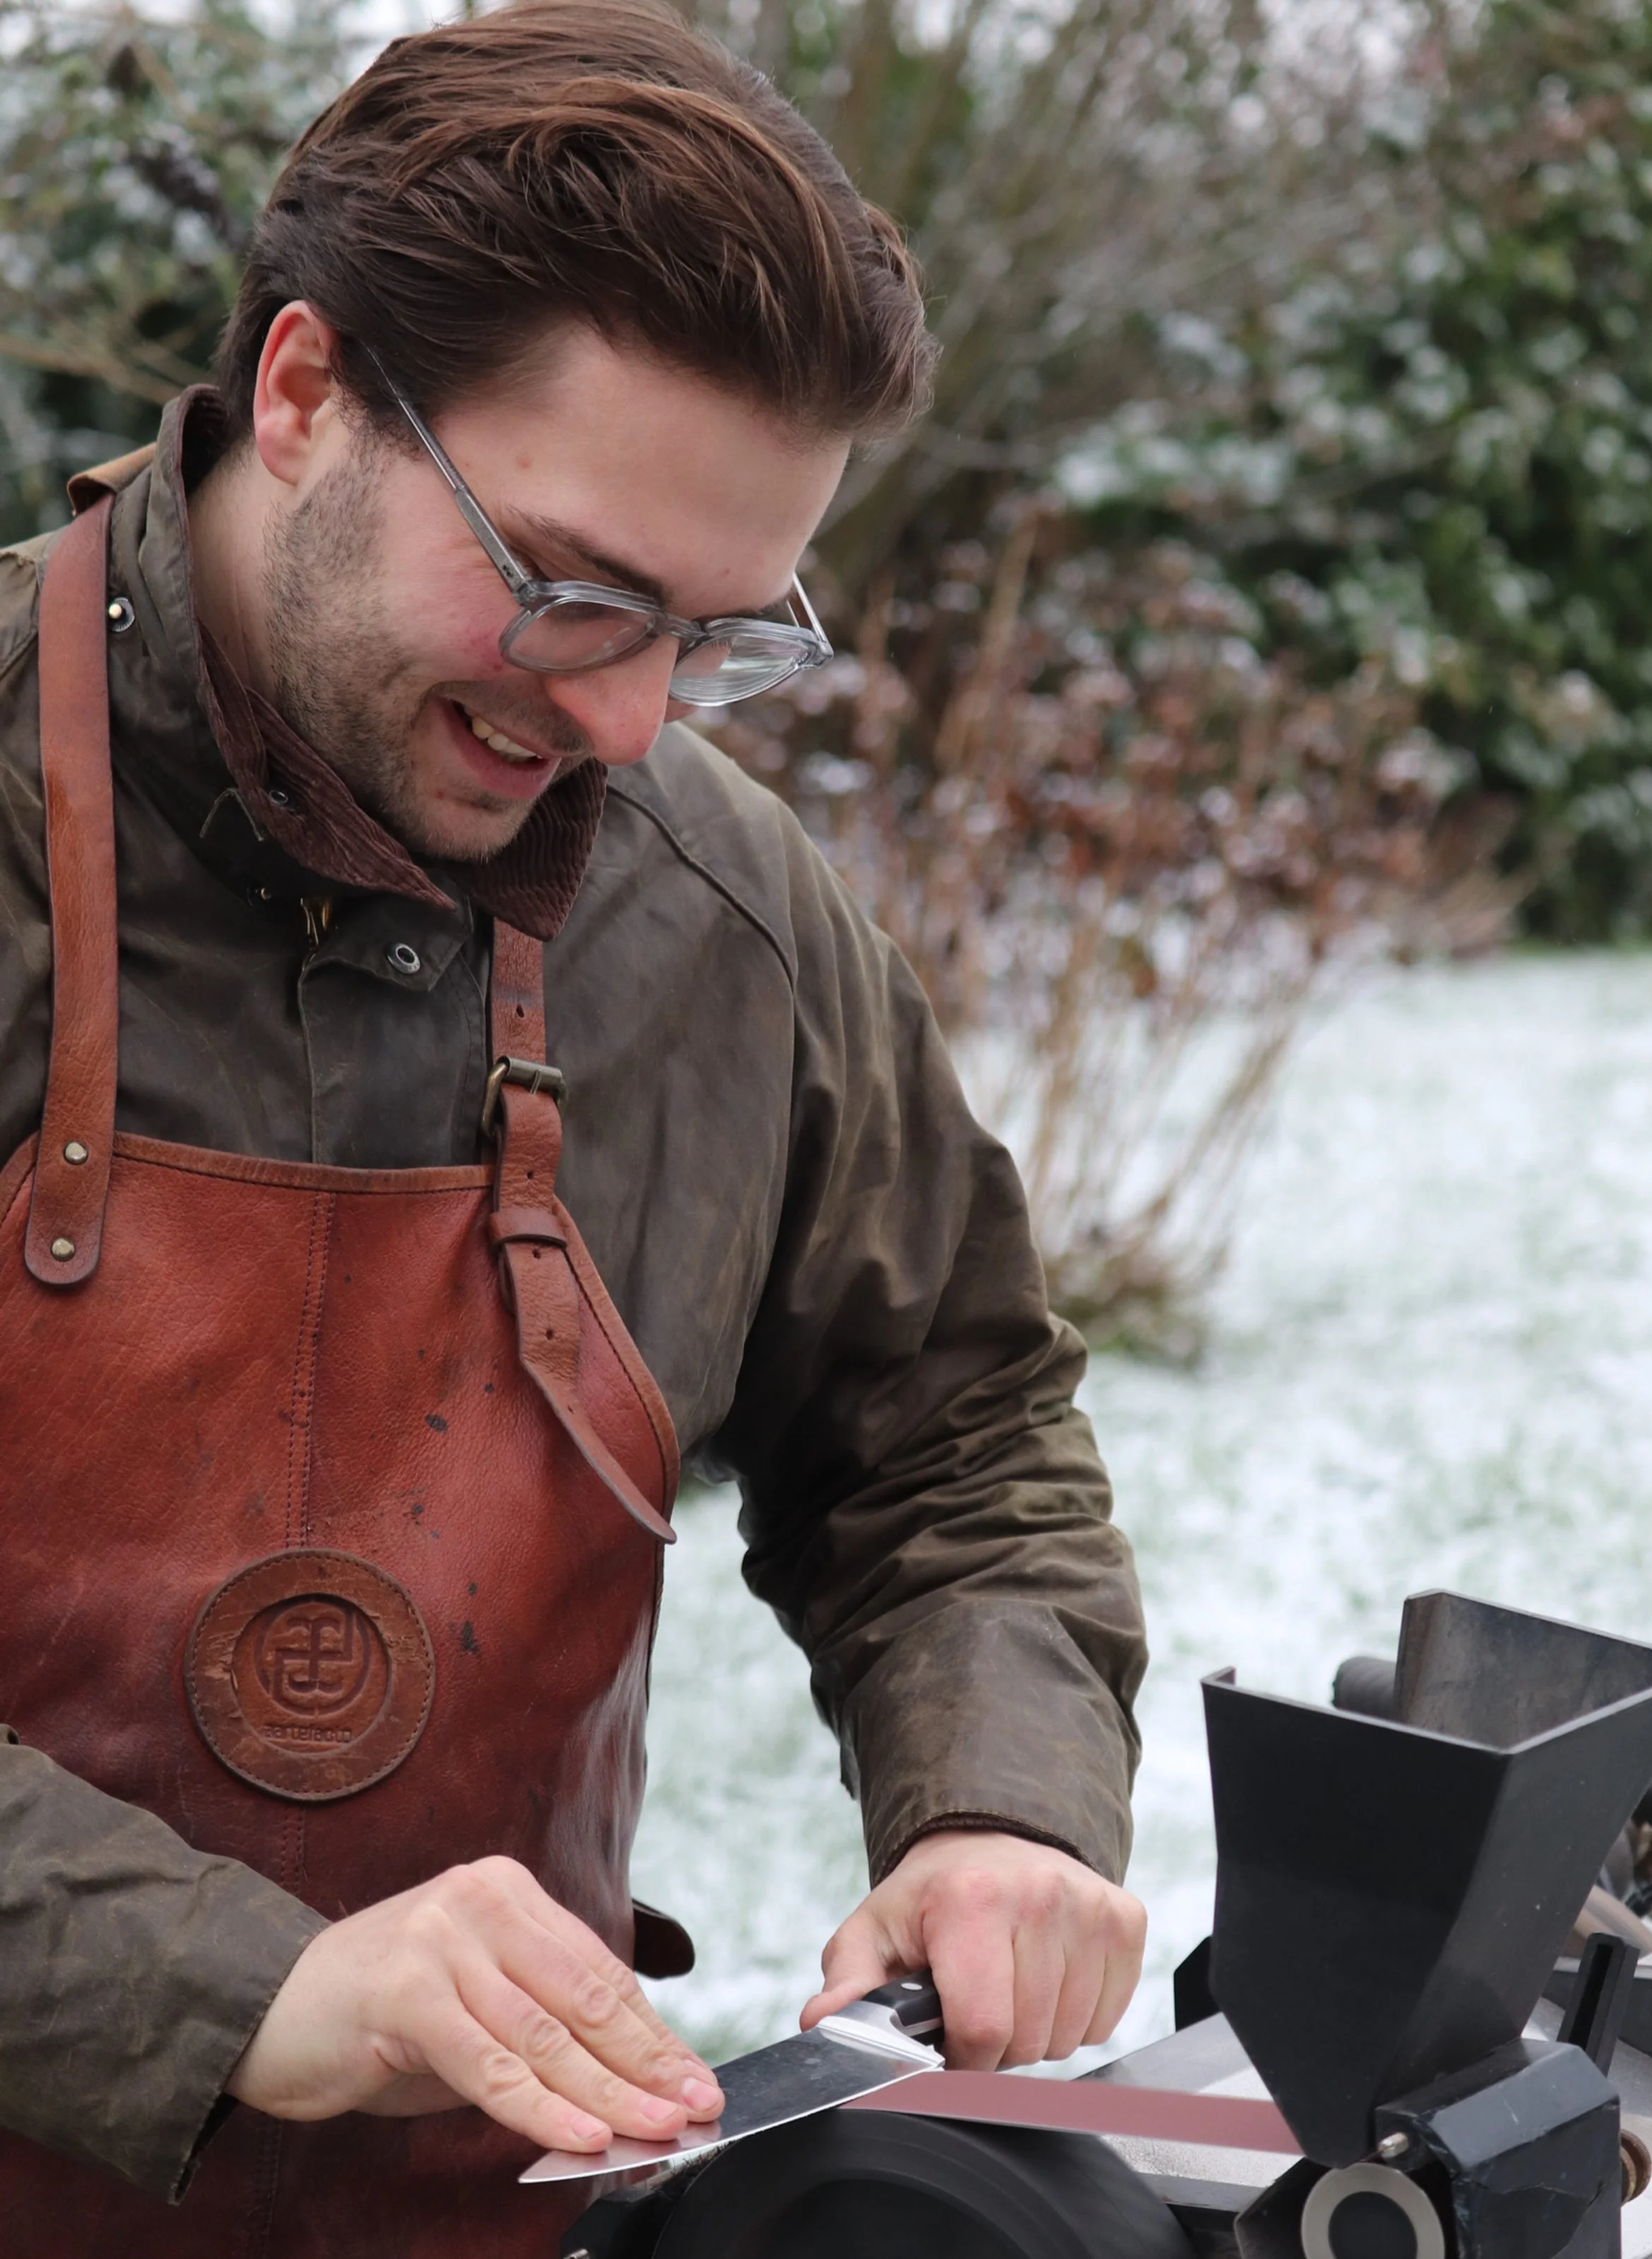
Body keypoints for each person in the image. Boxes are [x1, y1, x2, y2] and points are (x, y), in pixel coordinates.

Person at [0, 3, 1149, 2251]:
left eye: (715, 637)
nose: (626, 721)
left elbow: (946, 1438)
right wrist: (238, 1982)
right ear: (310, 393)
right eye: (571, 591)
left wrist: (1002, 1807)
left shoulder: (722, 922)